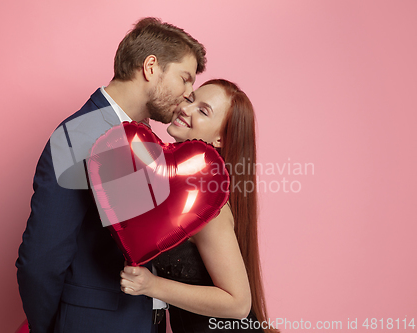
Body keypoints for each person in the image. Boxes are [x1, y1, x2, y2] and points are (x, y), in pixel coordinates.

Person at [15, 17, 206, 333]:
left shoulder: (146, 140)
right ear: (150, 67)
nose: (189, 94)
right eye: (185, 78)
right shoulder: (78, 135)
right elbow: (40, 262)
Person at [120, 79, 278, 333]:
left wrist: (150, 286)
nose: (186, 109)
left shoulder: (207, 205)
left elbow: (238, 304)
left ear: (220, 139)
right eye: (191, 100)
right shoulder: (177, 185)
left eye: (203, 111)